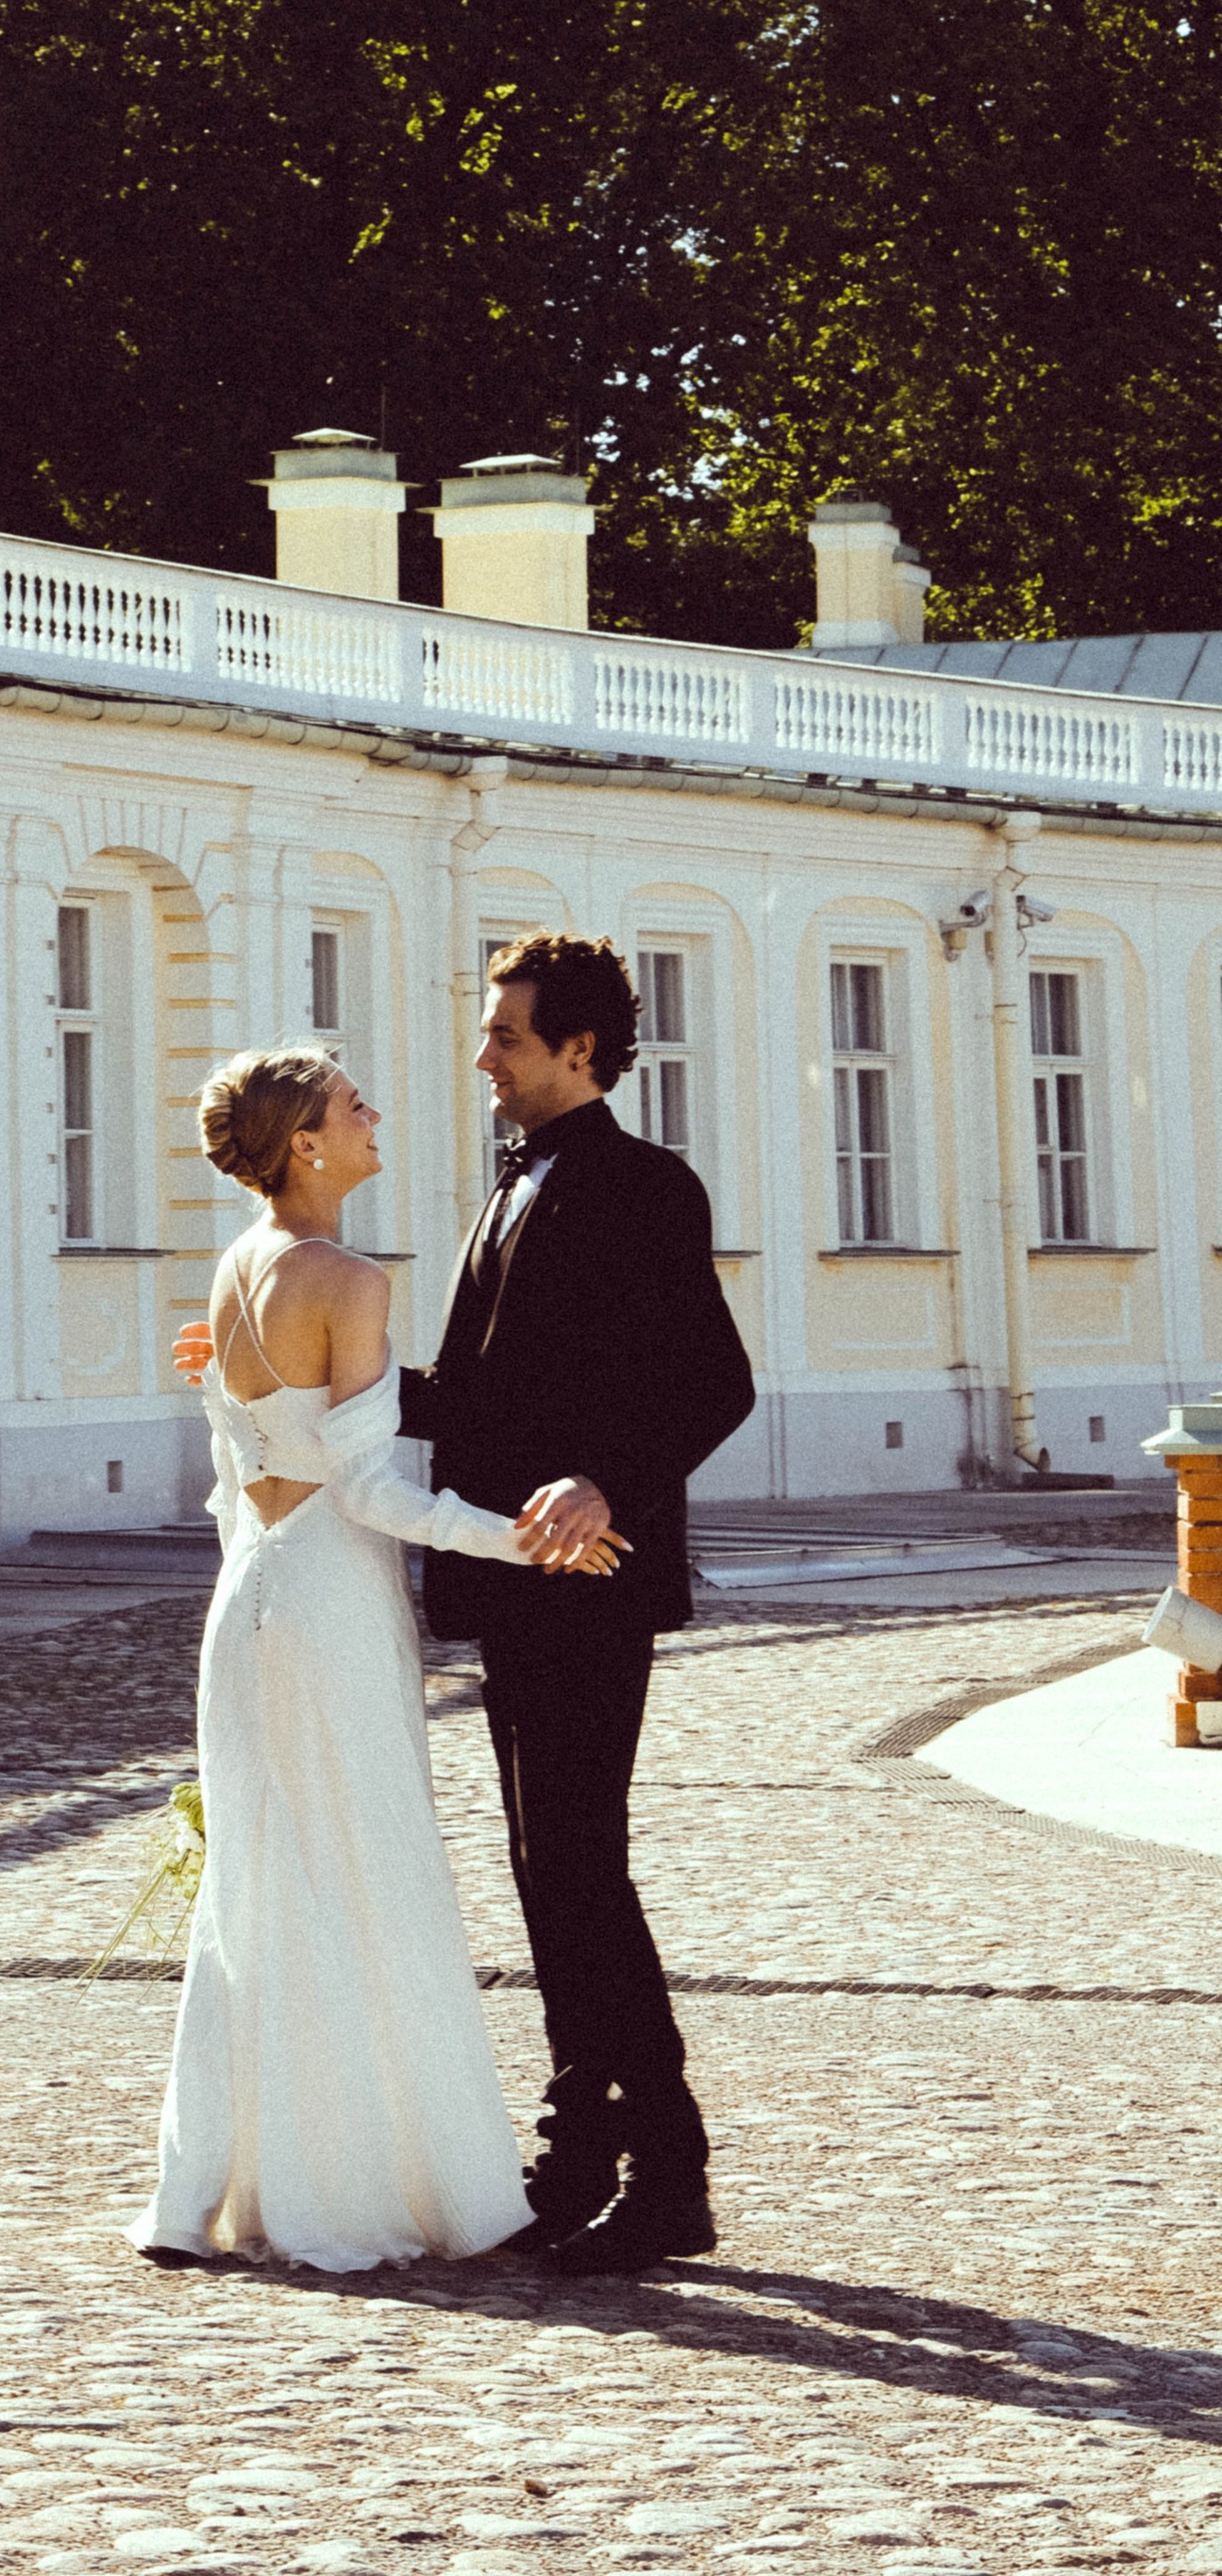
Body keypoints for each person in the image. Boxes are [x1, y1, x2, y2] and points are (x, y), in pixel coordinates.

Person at [180, 938, 755, 2279]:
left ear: (579, 1052)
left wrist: (606, 1481)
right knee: (548, 1869)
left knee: (582, 1868)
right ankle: (577, 2153)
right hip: (513, 1576)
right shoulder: (512, 1187)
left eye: (505, 1037)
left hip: (584, 1573)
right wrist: (289, 1387)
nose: (481, 1058)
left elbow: (714, 1382)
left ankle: (666, 2171)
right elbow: (494, 1393)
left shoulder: (643, 1186)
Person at [132, 1045, 626, 2277]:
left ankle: (228, 2184)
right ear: (305, 1141)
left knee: (265, 1883)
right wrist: (527, 1545)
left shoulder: (238, 1267)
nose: (374, 1113)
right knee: (371, 1871)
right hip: (331, 1603)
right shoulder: (347, 1279)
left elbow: (234, 1481)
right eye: (354, 1104)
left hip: (250, 1599)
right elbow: (367, 1493)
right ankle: (366, 2187)